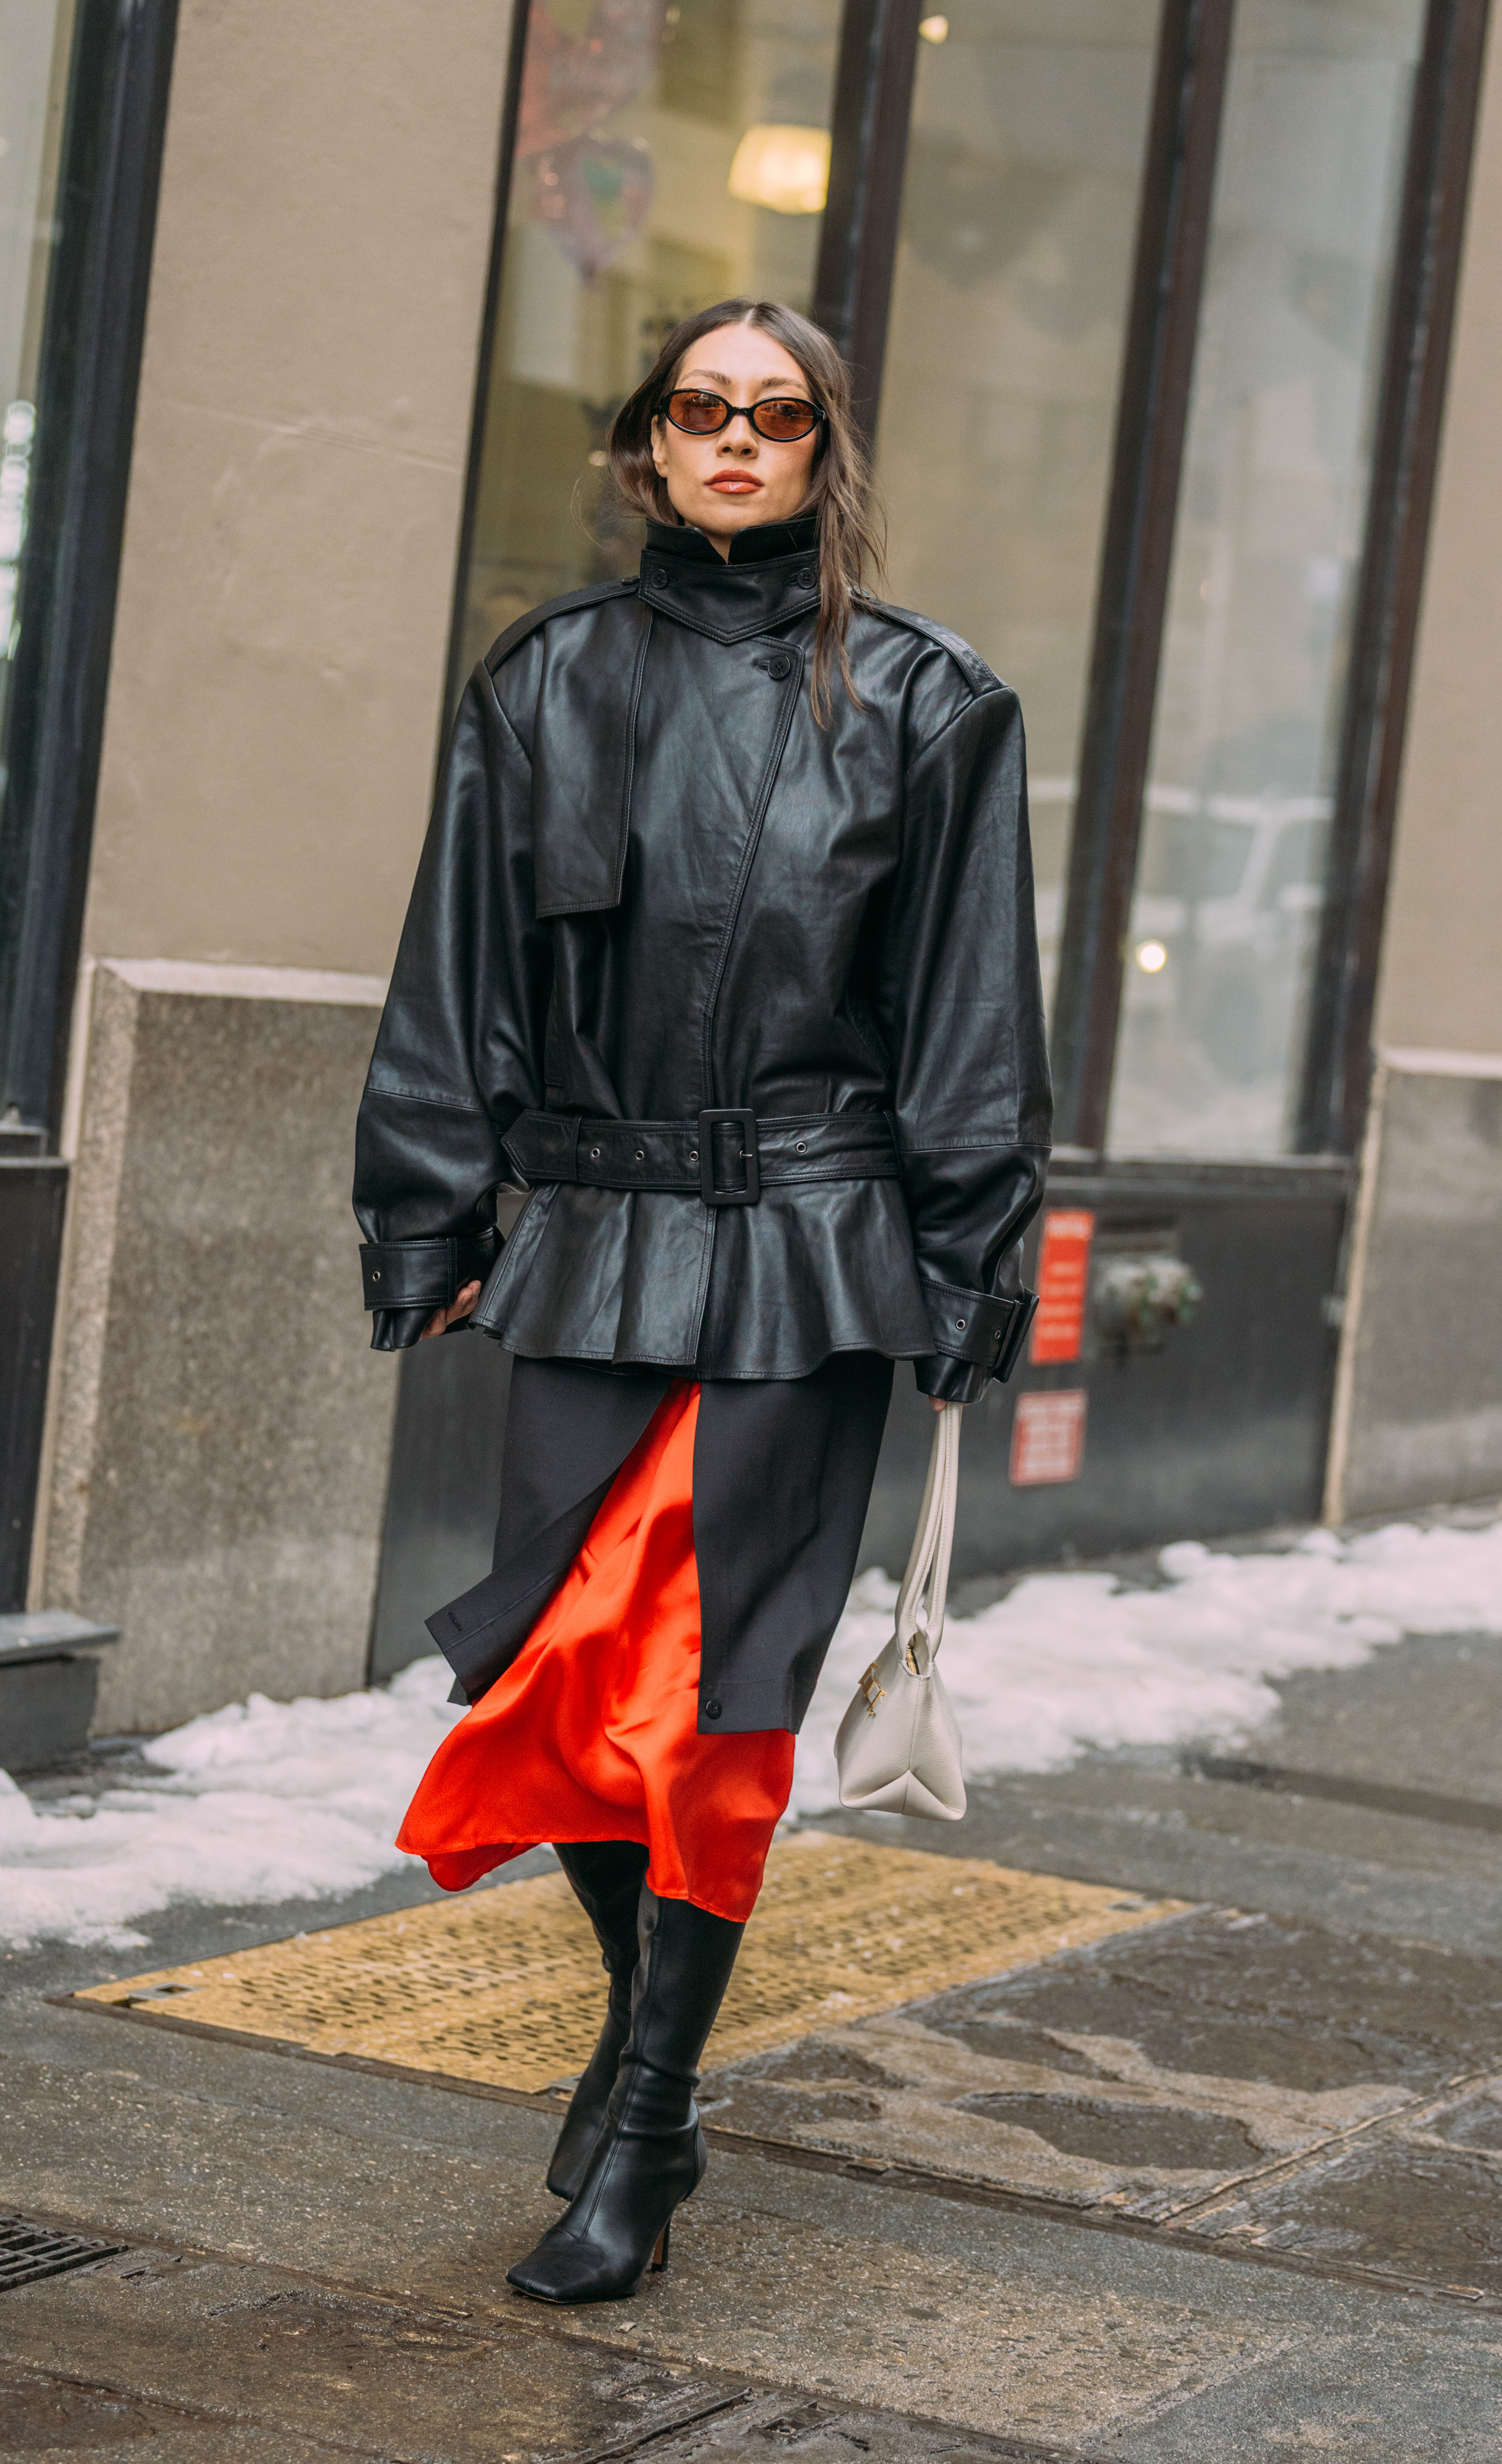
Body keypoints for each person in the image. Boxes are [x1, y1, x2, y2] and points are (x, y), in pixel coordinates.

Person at [353, 297, 1051, 2305]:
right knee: (564, 1681)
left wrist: (966, 1257)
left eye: (777, 412)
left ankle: (647, 2114)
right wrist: (426, 1215)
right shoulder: (546, 678)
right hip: (586, 1232)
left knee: (718, 1695)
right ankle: (638, 2046)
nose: (735, 440)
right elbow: (455, 970)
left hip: (812, 1244)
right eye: (700, 407)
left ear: (826, 448)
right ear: (649, 444)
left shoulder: (931, 701)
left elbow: (969, 1011)